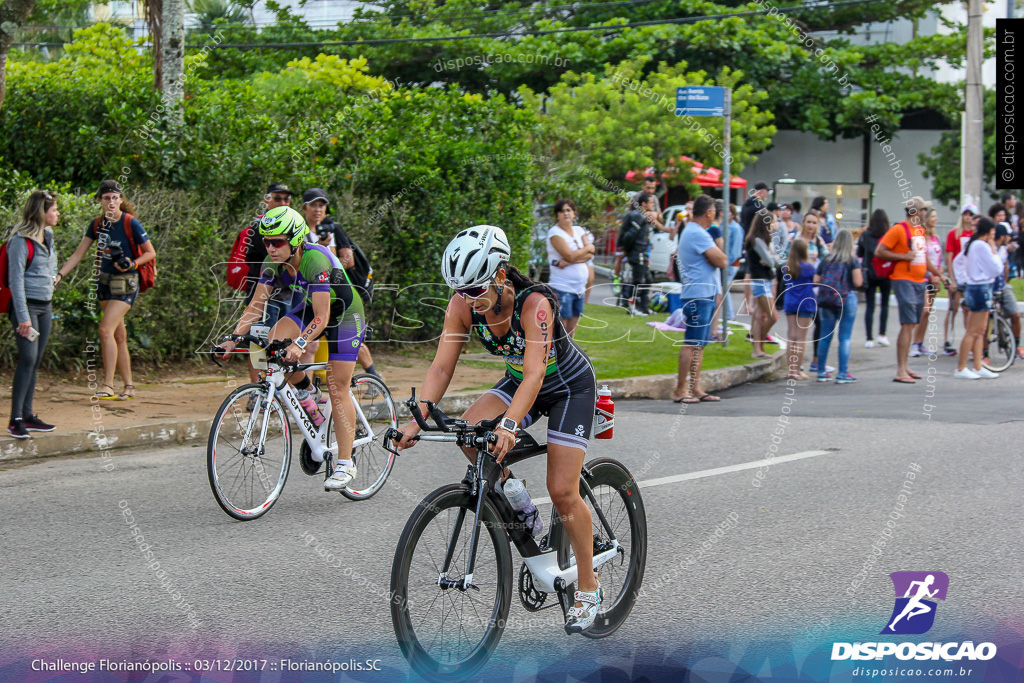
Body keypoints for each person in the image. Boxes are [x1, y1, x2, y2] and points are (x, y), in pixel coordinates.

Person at [393, 225, 605, 633]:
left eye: (476, 290)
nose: (468, 300)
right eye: (461, 291)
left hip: (566, 388)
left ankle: (588, 585)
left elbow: (536, 372)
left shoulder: (535, 304)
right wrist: (417, 419)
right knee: (470, 433)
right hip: (519, 381)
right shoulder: (461, 303)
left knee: (563, 491)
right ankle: (521, 509)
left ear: (501, 276)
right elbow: (441, 366)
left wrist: (509, 424)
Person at [216, 206, 366, 489]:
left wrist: (300, 343)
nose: (271, 248)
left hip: (344, 314)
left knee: (337, 386)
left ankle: (346, 463)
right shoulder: (272, 264)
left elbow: (322, 317)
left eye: (278, 241)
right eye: (267, 242)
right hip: (314, 309)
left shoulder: (315, 259)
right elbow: (255, 305)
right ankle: (308, 392)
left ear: (295, 238)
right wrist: (233, 338)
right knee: (273, 345)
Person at [57, 181, 156, 400]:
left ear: (121, 199)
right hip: (104, 284)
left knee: (105, 330)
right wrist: (59, 275)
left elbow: (150, 253)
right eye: (106, 198)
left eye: (114, 197)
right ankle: (129, 385)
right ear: (100, 201)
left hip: (126, 283)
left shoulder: (131, 223)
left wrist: (132, 263)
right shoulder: (96, 225)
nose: (111, 202)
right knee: (118, 334)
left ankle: (108, 384)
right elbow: (78, 254)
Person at [302, 187, 380, 377]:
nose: (318, 209)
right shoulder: (300, 231)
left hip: (340, 294)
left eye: (322, 205)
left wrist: (326, 251)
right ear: (305, 208)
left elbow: (348, 260)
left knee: (348, 337)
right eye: (313, 205)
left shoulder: (333, 228)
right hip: (313, 292)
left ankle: (373, 375)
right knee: (310, 343)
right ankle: (309, 392)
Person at [6, 191, 59, 438]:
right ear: (42, 212)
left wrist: (51, 281)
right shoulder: (19, 241)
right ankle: (15, 418)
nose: (57, 213)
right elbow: (15, 282)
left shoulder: (48, 236)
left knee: (36, 360)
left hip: (45, 306)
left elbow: (52, 265)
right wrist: (23, 317)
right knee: (27, 358)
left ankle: (28, 415)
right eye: (54, 210)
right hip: (25, 308)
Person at [875, 196, 942, 384]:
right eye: (924, 210)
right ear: (917, 212)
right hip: (903, 280)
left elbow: (924, 257)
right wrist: (903, 256)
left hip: (919, 280)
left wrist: (938, 274)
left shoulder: (919, 230)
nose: (926, 214)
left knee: (912, 323)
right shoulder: (898, 229)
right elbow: (880, 251)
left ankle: (905, 367)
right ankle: (900, 370)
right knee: (907, 324)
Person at [235, 182, 294, 387]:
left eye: (287, 199)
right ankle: (257, 387)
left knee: (287, 341)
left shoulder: (293, 224)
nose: (283, 202)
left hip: (288, 292)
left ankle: (285, 387)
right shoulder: (257, 225)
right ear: (267, 200)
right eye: (278, 198)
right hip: (262, 291)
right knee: (258, 340)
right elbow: (259, 255)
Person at [672, 194, 728, 403]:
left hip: (701, 293)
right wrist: (714, 257)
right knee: (692, 343)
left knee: (699, 344)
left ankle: (695, 388)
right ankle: (680, 390)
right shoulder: (697, 233)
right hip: (698, 295)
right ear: (709, 212)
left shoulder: (694, 231)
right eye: (714, 211)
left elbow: (717, 259)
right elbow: (722, 260)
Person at [954, 217, 1002, 379]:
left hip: (977, 287)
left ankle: (978, 364)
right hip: (980, 288)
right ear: (989, 232)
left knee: (980, 331)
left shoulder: (974, 245)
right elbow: (996, 268)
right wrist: (994, 249)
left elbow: (957, 262)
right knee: (974, 331)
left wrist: (963, 279)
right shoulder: (981, 246)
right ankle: (961, 368)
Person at [814, 230, 863, 383]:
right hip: (846, 298)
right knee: (845, 338)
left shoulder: (826, 259)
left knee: (825, 336)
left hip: (827, 300)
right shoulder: (852, 260)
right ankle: (842, 373)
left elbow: (816, 280)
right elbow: (858, 282)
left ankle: (821, 371)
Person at [547, 199, 594, 337]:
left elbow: (590, 254)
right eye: (562, 211)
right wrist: (585, 250)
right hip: (562, 287)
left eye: (569, 210)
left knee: (574, 322)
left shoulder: (579, 230)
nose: (565, 214)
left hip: (579, 287)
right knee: (562, 323)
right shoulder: (555, 233)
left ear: (574, 213)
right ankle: (558, 353)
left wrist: (568, 262)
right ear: (557, 215)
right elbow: (569, 255)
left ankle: (569, 353)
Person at [745, 208, 781, 360]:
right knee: (773, 316)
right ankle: (759, 341)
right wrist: (770, 259)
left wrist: (770, 259)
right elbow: (771, 260)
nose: (775, 224)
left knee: (761, 316)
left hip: (765, 280)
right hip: (761, 282)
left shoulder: (764, 240)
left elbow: (770, 260)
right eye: (773, 221)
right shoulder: (757, 241)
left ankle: (758, 348)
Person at [943, 204, 976, 356]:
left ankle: (969, 342)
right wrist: (952, 278)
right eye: (966, 214)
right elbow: (949, 257)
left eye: (971, 214)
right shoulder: (954, 234)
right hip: (957, 275)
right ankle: (947, 339)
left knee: (968, 309)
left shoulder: (976, 234)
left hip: (970, 276)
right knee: (953, 307)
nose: (968, 217)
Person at [910, 208, 943, 357]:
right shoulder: (921, 236)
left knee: (928, 311)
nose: (936, 219)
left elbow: (939, 259)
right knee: (924, 310)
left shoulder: (936, 237)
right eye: (933, 216)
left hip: (934, 277)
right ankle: (913, 343)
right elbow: (922, 258)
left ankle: (920, 342)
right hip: (924, 277)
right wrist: (931, 275)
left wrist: (938, 275)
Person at [782, 238, 815, 380]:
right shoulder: (808, 267)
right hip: (805, 303)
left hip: (790, 302)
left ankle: (790, 370)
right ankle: (797, 370)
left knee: (792, 336)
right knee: (801, 338)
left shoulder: (787, 267)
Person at [619, 193, 656, 314]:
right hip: (637, 252)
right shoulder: (637, 216)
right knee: (638, 281)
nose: (653, 205)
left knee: (648, 279)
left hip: (642, 251)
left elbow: (640, 234)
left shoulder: (642, 216)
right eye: (651, 202)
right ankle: (632, 308)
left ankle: (643, 306)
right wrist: (628, 249)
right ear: (644, 204)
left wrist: (648, 243)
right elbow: (630, 235)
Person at [993, 223, 1023, 358]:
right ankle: (985, 353)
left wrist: (1004, 283)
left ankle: (1017, 346)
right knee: (988, 320)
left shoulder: (1004, 250)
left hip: (1003, 285)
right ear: (1003, 236)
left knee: (1015, 315)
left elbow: (1005, 268)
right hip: (989, 286)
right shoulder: (989, 248)